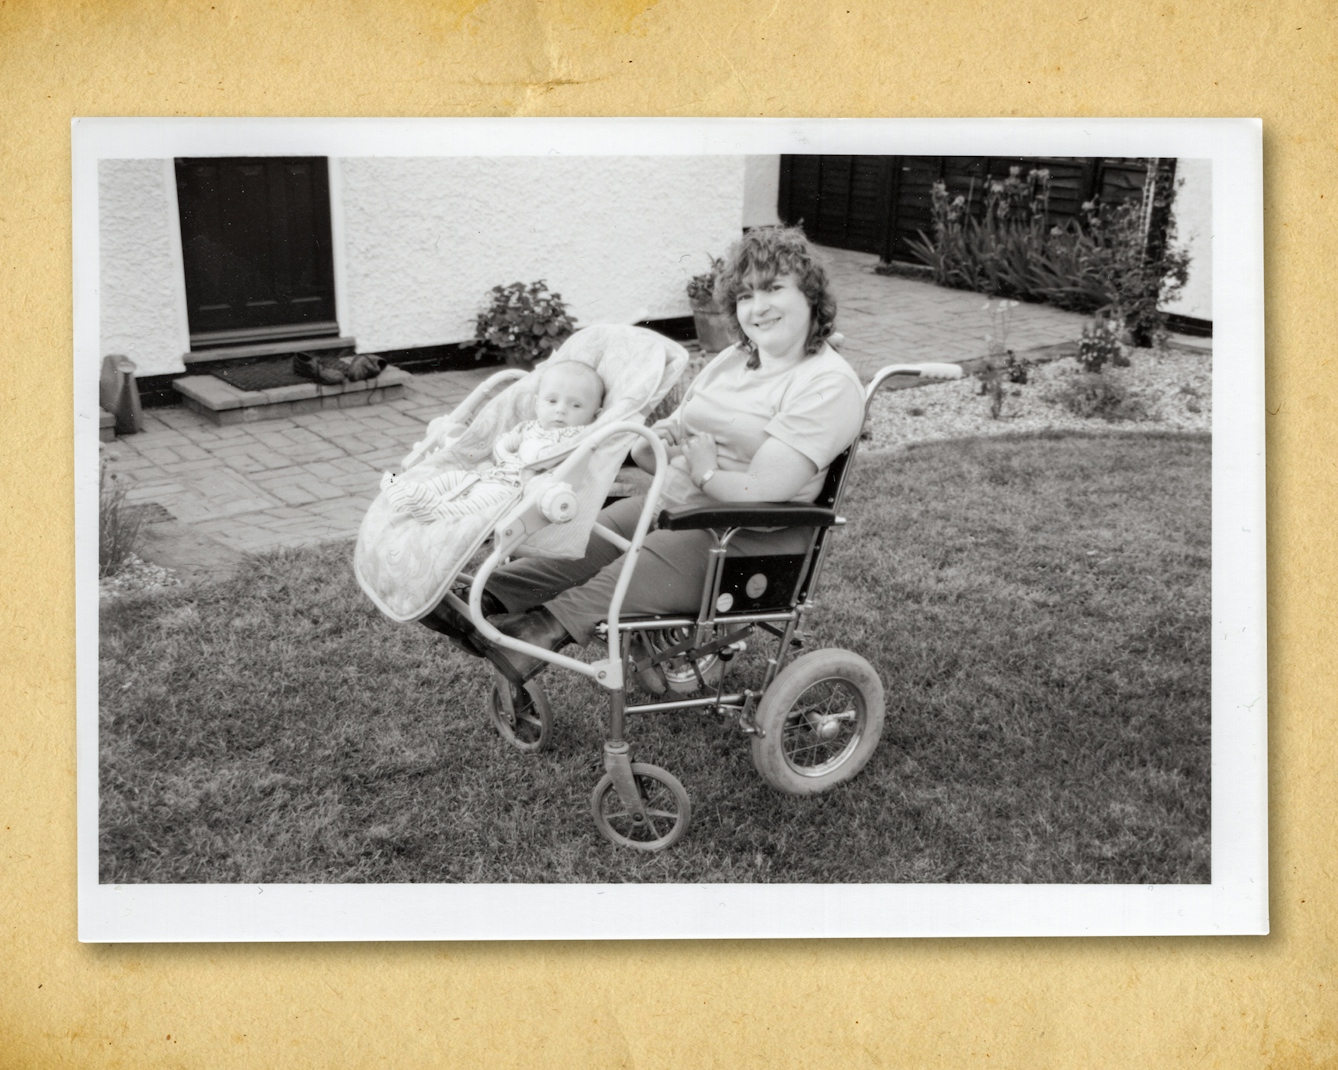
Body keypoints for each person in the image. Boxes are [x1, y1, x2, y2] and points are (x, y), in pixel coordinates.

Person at [425, 226, 866, 675]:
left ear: (810, 295)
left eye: (774, 289)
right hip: (678, 506)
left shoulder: (826, 384)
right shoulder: (734, 358)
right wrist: (650, 445)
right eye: (746, 295)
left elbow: (764, 489)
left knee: (635, 561)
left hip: (748, 540)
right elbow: (663, 442)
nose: (759, 307)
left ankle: (533, 633)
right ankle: (483, 600)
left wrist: (705, 473)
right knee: (587, 539)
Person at [383, 361, 604, 523]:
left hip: (514, 491)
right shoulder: (529, 427)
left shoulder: (576, 438)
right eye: (552, 401)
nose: (560, 410)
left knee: (478, 504)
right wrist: (505, 452)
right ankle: (407, 494)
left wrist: (527, 454)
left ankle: (436, 510)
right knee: (455, 478)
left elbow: (551, 462)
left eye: (575, 406)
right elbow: (503, 444)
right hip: (491, 476)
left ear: (595, 415)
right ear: (537, 404)